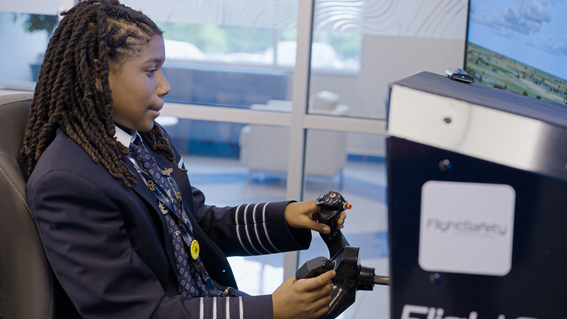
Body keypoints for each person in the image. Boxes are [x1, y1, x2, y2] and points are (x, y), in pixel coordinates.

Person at [20, 1, 346, 318]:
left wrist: (287, 216)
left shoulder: (144, 141)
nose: (165, 86)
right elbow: (136, 312)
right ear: (97, 74)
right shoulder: (66, 181)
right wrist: (270, 310)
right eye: (151, 71)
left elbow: (194, 224)